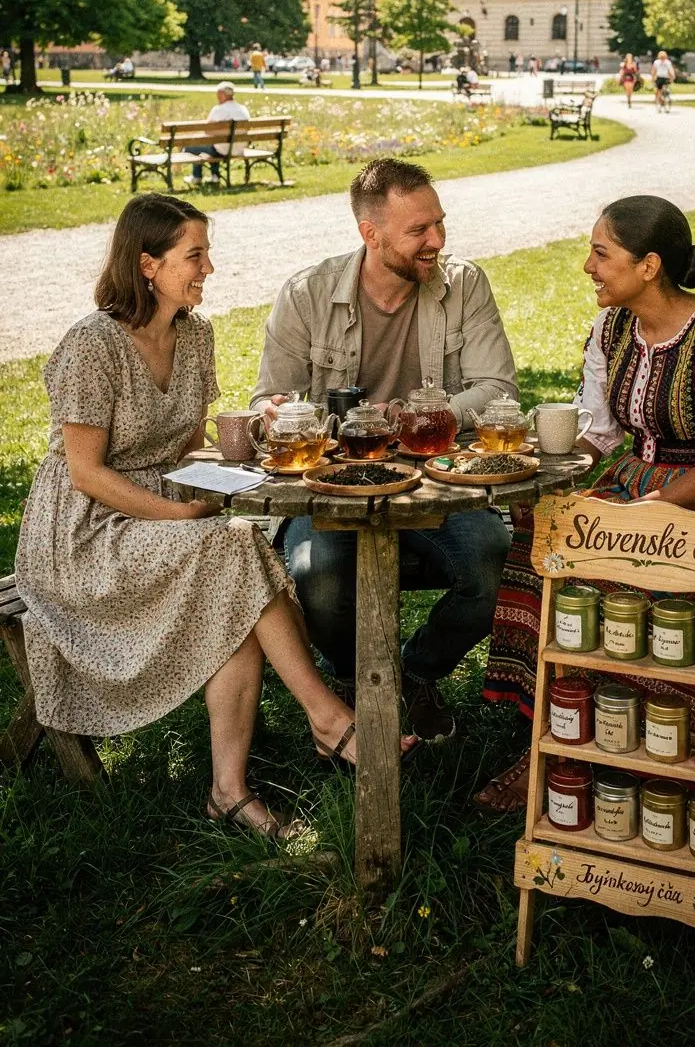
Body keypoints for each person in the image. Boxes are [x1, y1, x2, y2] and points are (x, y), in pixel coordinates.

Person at [14, 195, 417, 838]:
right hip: (81, 532)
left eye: (207, 252)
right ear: (147, 265)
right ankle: (328, 720)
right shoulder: (93, 345)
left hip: (155, 511)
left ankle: (232, 790)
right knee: (231, 549)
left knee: (233, 560)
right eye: (193, 255)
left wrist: (252, 438)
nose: (209, 267)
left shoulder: (194, 334)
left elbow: (181, 442)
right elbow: (87, 474)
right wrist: (179, 512)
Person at [475, 194, 695, 809]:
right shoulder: (612, 328)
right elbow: (597, 432)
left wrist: (633, 520)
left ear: (649, 265)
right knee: (544, 544)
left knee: (641, 586)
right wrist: (534, 472)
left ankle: (678, 755)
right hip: (633, 485)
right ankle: (555, 740)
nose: (588, 267)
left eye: (601, 254)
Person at [250, 158, 516, 741]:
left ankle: (413, 676)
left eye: (439, 224)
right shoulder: (307, 294)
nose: (437, 241)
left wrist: (429, 414)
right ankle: (353, 681)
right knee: (314, 575)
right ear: (370, 234)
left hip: (436, 479)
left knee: (492, 558)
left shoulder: (463, 285)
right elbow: (269, 397)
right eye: (419, 230)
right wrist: (277, 412)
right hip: (334, 485)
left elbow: (497, 387)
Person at [184, 81, 251, 186]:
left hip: (223, 150)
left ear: (222, 94)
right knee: (214, 144)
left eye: (218, 95)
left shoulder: (218, 109)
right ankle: (215, 176)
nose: (217, 97)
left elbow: (207, 130)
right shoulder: (243, 109)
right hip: (240, 148)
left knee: (192, 146)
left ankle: (197, 177)